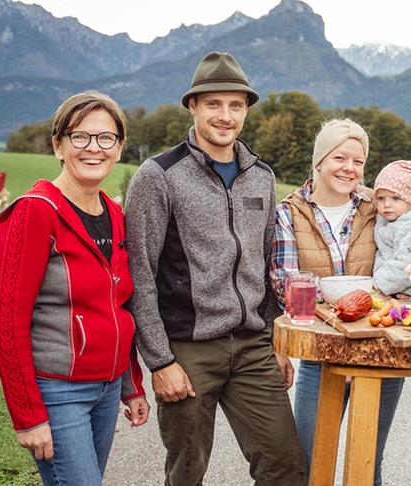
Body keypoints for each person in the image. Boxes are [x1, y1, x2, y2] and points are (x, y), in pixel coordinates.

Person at [124, 51, 305, 485]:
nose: (225, 116)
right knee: (187, 472)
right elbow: (139, 274)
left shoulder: (261, 175)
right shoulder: (158, 176)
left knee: (286, 464)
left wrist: (276, 336)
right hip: (187, 348)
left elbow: (266, 265)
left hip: (252, 345)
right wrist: (159, 360)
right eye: (214, 104)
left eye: (236, 105)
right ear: (193, 106)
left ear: (246, 109)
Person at [0, 90, 149, 485]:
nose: (93, 148)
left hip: (107, 390)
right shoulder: (35, 211)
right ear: (58, 145)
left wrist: (130, 385)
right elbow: (7, 322)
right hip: (59, 392)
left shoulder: (114, 214)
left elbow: (119, 306)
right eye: (79, 137)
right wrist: (28, 417)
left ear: (119, 147)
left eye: (105, 138)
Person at [270, 119, 404, 485]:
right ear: (319, 160)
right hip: (321, 357)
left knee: (367, 466)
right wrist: (346, 319)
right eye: (339, 157)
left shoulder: (377, 206)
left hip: (379, 353)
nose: (350, 168)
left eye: (358, 161)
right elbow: (289, 287)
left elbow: (400, 268)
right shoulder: (289, 212)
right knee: (312, 463)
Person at [372, 160, 411, 297]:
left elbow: (406, 264)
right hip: (390, 290)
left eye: (396, 198)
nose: (387, 204)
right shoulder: (386, 223)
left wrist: (377, 284)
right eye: (381, 198)